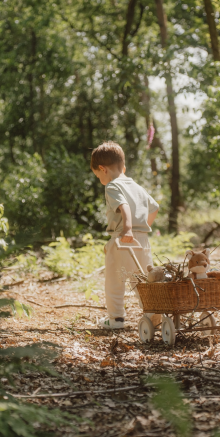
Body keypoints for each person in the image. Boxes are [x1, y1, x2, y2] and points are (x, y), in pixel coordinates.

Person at [91, 141, 158, 329]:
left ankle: (116, 320)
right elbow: (154, 208)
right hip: (142, 240)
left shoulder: (112, 186)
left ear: (103, 169)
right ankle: (152, 313)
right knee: (142, 281)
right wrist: (141, 228)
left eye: (98, 176)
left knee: (114, 281)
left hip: (122, 239)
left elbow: (124, 206)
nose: (100, 180)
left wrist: (128, 229)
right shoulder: (137, 187)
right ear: (123, 167)